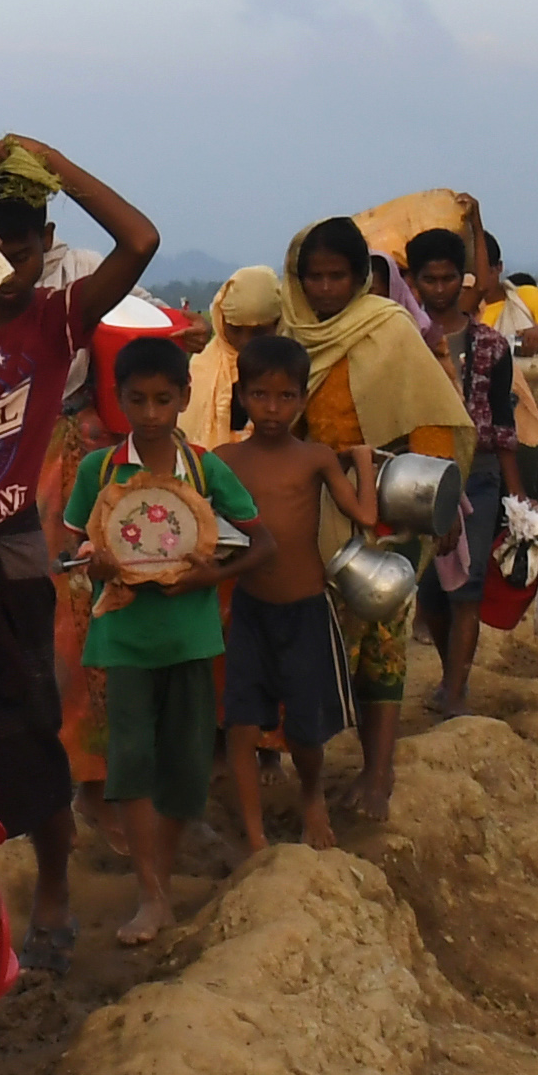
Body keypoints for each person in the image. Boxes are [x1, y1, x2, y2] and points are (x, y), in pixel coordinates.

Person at [0, 133, 161, 959]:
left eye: (22, 243)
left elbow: (141, 241)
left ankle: (52, 884)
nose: (6, 261)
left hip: (10, 546)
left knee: (29, 729)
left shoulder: (58, 321)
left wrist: (51, 160)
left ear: (45, 246)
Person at [48, 336, 257, 941]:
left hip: (191, 640)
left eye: (163, 400)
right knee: (131, 766)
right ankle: (151, 894)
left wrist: (207, 576)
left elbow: (259, 544)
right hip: (123, 641)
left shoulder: (206, 468)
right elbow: (69, 548)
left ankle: (159, 885)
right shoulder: (100, 470)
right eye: (137, 400)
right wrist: (96, 564)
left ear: (184, 398)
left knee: (186, 771)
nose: (150, 413)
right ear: (118, 399)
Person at [275, 215, 466, 831]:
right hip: (312, 512)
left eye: (338, 276)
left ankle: (377, 770)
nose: (325, 289)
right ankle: (308, 773)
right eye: (314, 277)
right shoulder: (290, 336)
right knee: (314, 642)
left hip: (389, 511)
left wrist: (436, 506)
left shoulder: (391, 332)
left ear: (361, 279)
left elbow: (430, 421)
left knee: (381, 640)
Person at [209, 334, 362, 851]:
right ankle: (255, 839)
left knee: (305, 729)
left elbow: (362, 515)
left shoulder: (316, 458)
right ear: (243, 395)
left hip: (307, 611)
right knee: (241, 726)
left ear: (302, 398)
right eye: (260, 396)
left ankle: (312, 796)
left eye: (286, 397)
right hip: (249, 611)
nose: (272, 410)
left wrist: (359, 461)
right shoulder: (223, 459)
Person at [406, 228, 517, 721]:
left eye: (448, 278)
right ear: (413, 281)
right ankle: (452, 673)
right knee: (429, 587)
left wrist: (519, 496)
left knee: (466, 584)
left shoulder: (491, 345)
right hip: (420, 473)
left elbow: (502, 425)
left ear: (462, 279)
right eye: (428, 279)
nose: (439, 289)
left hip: (478, 472)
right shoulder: (402, 342)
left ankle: (456, 688)